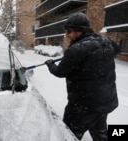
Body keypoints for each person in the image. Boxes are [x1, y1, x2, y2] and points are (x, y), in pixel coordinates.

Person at [45, 12, 120, 141]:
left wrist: (50, 64)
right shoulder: (106, 42)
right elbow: (116, 50)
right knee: (101, 135)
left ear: (80, 31)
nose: (67, 35)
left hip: (82, 106)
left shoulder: (76, 49)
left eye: (69, 31)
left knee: (68, 135)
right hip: (105, 101)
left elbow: (60, 72)